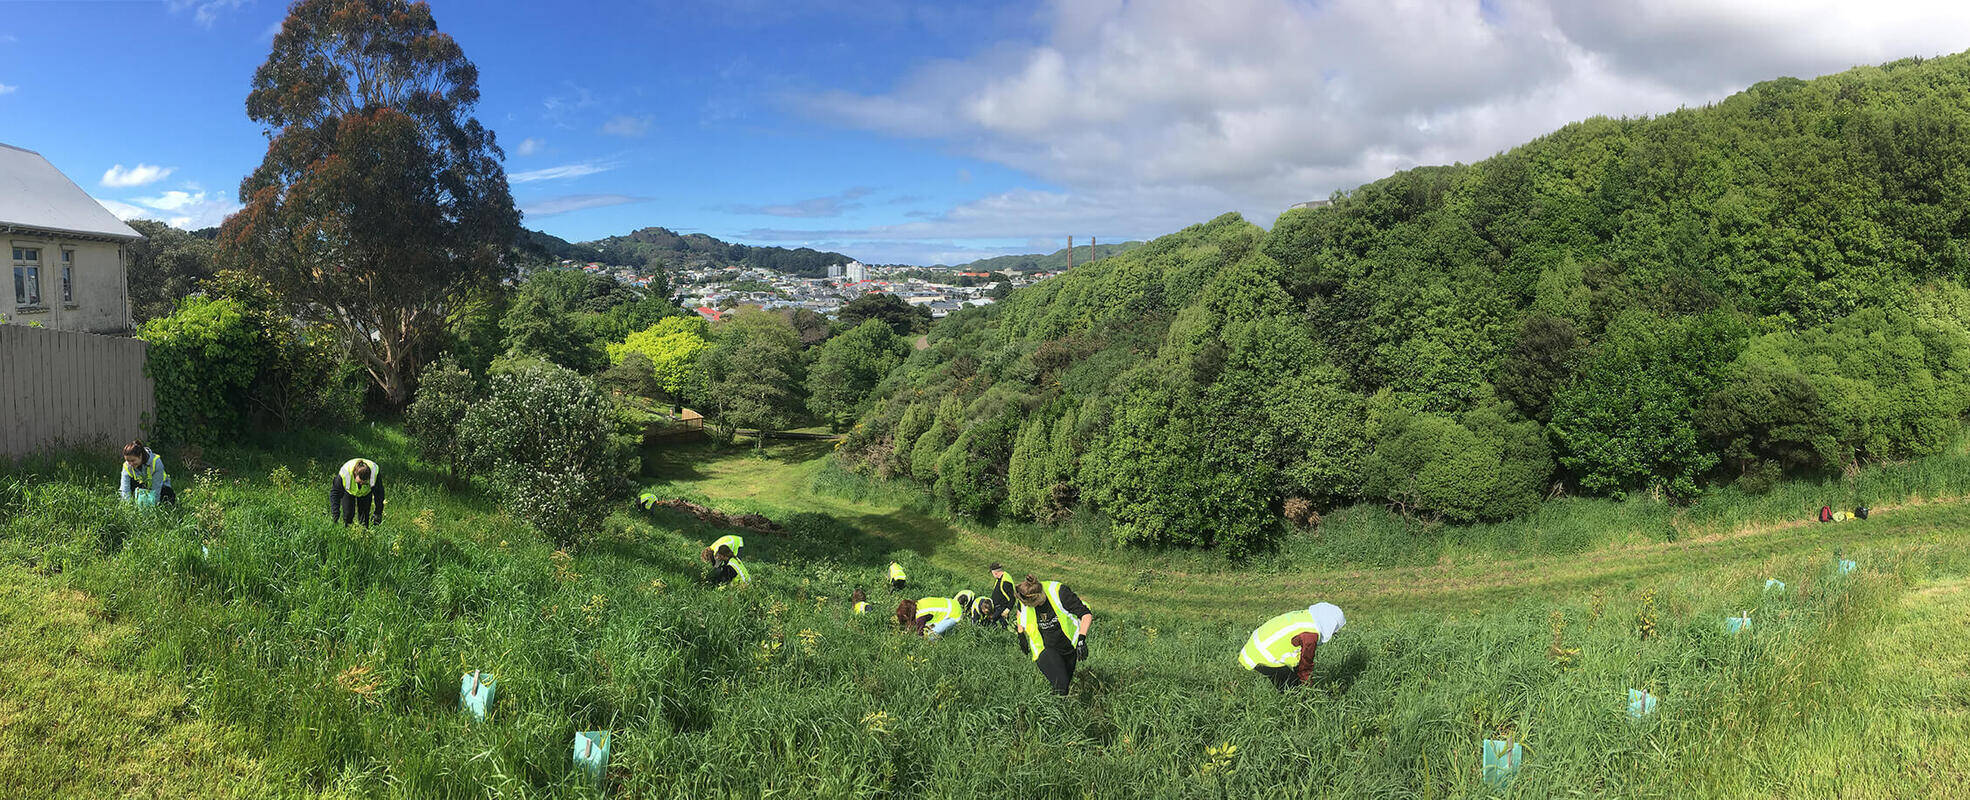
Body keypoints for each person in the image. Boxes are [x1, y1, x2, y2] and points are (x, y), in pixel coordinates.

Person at [1013, 575, 1094, 696]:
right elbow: (1020, 611)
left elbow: (1086, 614)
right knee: (1061, 685)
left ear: (1039, 595)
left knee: (1064, 687)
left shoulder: (1059, 593)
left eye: (1033, 604)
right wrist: (1021, 635)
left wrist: (1081, 640)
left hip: (1069, 648)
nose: (1032, 607)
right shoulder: (1025, 598)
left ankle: (1054, 705)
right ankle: (1047, 706)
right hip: (1045, 648)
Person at [1240, 602, 1346, 692]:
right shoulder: (1310, 635)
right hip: (1263, 656)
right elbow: (1305, 664)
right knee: (1293, 689)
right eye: (1334, 630)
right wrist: (1308, 688)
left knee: (1290, 681)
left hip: (1254, 648)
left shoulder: (1306, 617)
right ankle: (1293, 707)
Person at [329, 458, 384, 526]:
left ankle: (363, 531)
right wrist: (335, 513)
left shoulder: (374, 473)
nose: (361, 484)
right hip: (348, 491)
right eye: (359, 482)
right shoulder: (345, 473)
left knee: (364, 520)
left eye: (365, 483)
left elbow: (379, 493)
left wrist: (378, 512)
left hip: (366, 493)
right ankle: (348, 529)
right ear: (355, 474)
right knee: (348, 515)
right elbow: (335, 493)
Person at [118, 441, 175, 505]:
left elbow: (156, 489)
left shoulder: (156, 462)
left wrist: (153, 506)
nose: (130, 464)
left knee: (168, 496)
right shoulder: (126, 466)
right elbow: (125, 489)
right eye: (128, 461)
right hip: (141, 488)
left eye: (133, 460)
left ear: (140, 456)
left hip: (161, 487)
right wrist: (128, 505)